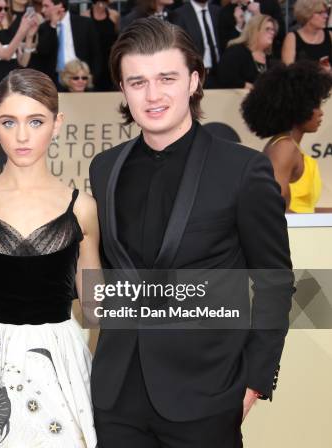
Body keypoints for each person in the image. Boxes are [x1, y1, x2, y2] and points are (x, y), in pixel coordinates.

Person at [89, 18, 294, 447]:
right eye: (138, 81)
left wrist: (254, 382)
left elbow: (274, 282)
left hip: (206, 397)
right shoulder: (104, 168)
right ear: (123, 90)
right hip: (116, 398)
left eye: (167, 78)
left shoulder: (242, 170)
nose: (153, 94)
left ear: (193, 81)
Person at [0, 68, 99, 447]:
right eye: (9, 122)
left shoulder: (82, 208)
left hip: (60, 362)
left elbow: (97, 307)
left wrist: (201, 299)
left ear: (57, 123)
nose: (23, 135)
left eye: (36, 121)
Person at [241, 61, 332, 213]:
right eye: (315, 105)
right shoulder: (285, 148)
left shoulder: (289, 145)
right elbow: (273, 209)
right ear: (299, 107)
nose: (321, 112)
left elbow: (305, 210)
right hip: (292, 235)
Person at [34, 0, 101, 85]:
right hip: (54, 80)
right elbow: (43, 52)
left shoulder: (85, 23)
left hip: (82, 79)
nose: (42, 10)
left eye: (46, 6)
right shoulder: (44, 27)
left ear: (60, 6)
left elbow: (96, 54)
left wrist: (92, 78)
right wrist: (53, 25)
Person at [217, 14, 277, 89]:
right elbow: (226, 78)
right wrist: (251, 87)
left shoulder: (270, 58)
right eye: (267, 29)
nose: (272, 33)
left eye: (273, 30)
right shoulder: (236, 52)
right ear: (255, 30)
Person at [171, 0, 221, 87]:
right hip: (196, 75)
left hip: (220, 73)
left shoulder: (217, 11)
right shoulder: (180, 13)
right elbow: (178, 45)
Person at [281, 0, 332, 69]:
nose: (326, 16)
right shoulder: (292, 38)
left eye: (326, 12)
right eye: (320, 13)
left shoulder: (330, 35)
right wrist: (318, 71)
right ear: (307, 14)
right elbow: (288, 72)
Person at [83, 0, 118, 90]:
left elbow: (117, 35)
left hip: (109, 57)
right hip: (92, 58)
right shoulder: (85, 15)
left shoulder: (114, 15)